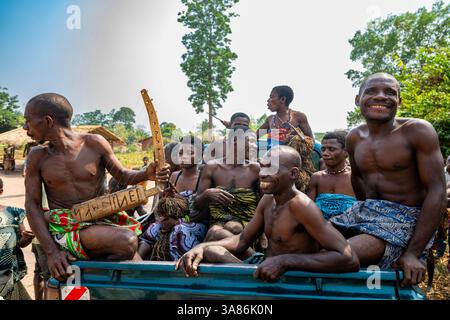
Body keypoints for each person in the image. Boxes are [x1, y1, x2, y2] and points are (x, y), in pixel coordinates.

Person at [23, 93, 170, 281]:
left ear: (48, 121)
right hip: (66, 227)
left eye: (28, 121)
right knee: (127, 242)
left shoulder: (94, 143)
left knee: (138, 273)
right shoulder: (37, 156)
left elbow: (123, 175)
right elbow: (32, 204)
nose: (25, 127)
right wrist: (52, 252)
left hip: (103, 221)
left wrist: (147, 174)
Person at [328, 73, 446, 286]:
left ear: (399, 101)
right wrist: (360, 215)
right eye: (372, 91)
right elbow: (358, 179)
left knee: (342, 254)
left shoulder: (417, 131)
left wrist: (413, 253)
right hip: (367, 211)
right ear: (358, 99)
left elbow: (437, 192)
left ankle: (286, 262)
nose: (381, 96)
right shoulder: (354, 137)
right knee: (302, 236)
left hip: (406, 218)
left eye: (390, 92)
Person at [175, 146, 359, 280]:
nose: (262, 173)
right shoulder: (268, 199)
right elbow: (242, 240)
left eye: (271, 168)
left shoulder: (302, 206)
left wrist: (285, 261)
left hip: (291, 277)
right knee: (212, 249)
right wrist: (200, 247)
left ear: (293, 174)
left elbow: (348, 258)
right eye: (262, 167)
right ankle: (251, 283)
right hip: (265, 267)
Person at [193, 113, 260, 245]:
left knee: (230, 228)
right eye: (250, 142)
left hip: (246, 225)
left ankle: (204, 249)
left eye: (254, 143)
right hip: (218, 222)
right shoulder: (212, 168)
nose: (254, 146)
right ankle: (253, 260)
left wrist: (263, 235)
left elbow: (266, 204)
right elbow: (196, 204)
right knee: (217, 230)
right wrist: (207, 194)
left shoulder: (255, 169)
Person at [138, 136, 207, 261]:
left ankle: (179, 269)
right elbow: (162, 204)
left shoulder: (203, 177)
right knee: (153, 228)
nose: (183, 156)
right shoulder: (174, 176)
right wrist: (163, 216)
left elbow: (204, 213)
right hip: (170, 219)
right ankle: (136, 264)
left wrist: (178, 221)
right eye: (180, 153)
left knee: (179, 230)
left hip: (195, 223)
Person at [257, 85, 316, 192]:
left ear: (282, 99)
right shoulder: (270, 120)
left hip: (293, 165)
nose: (268, 100)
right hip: (272, 164)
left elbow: (310, 141)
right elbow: (255, 136)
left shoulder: (298, 117)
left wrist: (293, 140)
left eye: (272, 97)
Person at [307, 131, 356, 220]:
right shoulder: (317, 178)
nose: (325, 153)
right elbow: (308, 211)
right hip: (318, 228)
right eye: (323, 149)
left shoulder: (354, 177)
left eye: (331, 149)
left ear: (346, 152)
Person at [0, 178, 35, 300]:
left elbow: (21, 243)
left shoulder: (14, 213)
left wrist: (27, 238)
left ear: (1, 191)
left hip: (8, 273)